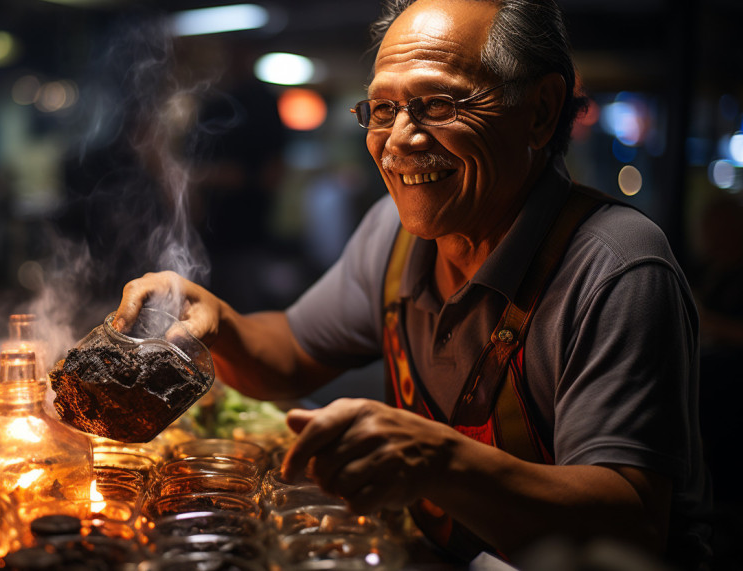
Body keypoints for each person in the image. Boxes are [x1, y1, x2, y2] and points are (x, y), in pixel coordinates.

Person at [112, 0, 711, 567]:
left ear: (541, 111)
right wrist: (217, 323)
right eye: (382, 109)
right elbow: (292, 353)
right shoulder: (395, 234)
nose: (399, 140)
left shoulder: (615, 268)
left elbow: (631, 525)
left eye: (439, 105)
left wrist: (441, 461)